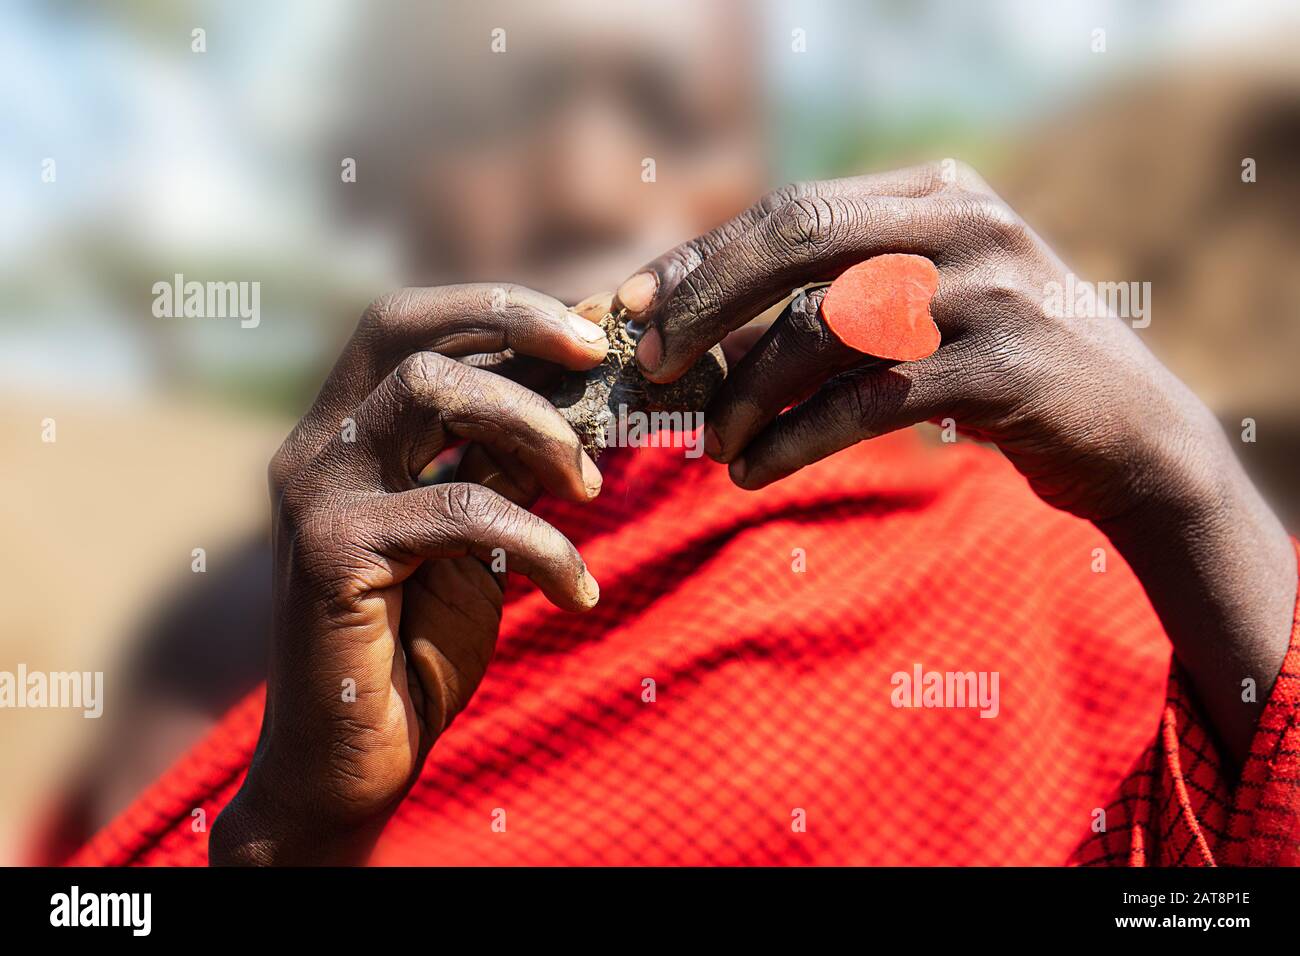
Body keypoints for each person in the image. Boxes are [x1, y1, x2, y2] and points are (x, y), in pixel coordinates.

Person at [65, 161, 1297, 867]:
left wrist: (1177, 478)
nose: (593, 173)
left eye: (664, 112)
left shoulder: (1034, 567)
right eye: (501, 112)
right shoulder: (255, 626)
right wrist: (292, 828)